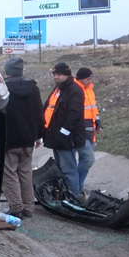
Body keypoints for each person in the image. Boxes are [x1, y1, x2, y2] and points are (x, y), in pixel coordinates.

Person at [1, 57, 46, 219]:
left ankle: (16, 207)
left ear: (7, 71)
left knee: (9, 174)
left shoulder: (3, 88)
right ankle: (28, 208)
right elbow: (39, 113)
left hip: (9, 140)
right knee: (26, 173)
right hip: (28, 139)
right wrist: (39, 135)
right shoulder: (33, 88)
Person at [43, 62, 87, 198]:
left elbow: (74, 114)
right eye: (54, 74)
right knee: (61, 168)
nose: (56, 77)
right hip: (56, 136)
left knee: (69, 169)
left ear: (67, 75)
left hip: (66, 138)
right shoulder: (58, 89)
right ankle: (66, 194)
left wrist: (64, 132)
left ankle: (74, 196)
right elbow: (48, 108)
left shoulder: (75, 90)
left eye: (59, 74)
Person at [74, 68, 103, 197]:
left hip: (90, 130)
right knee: (88, 160)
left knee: (85, 160)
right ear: (80, 79)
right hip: (80, 131)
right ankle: (75, 185)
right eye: (88, 79)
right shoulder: (75, 90)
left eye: (91, 79)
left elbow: (93, 108)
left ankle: (78, 187)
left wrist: (98, 123)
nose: (90, 81)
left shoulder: (90, 90)